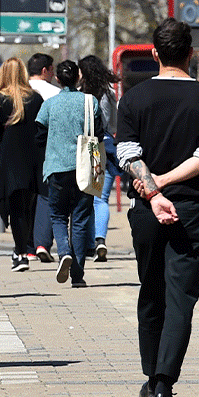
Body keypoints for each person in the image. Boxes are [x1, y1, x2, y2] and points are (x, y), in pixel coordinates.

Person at [117, 18, 199, 397]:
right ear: (191, 54)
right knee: (182, 300)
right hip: (193, 212)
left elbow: (128, 154)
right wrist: (165, 186)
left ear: (154, 53)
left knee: (151, 294)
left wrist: (152, 190)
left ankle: (152, 378)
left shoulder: (133, 99)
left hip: (146, 212)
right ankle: (162, 385)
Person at [34, 60, 103, 288]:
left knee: (58, 215)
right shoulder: (90, 101)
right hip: (86, 167)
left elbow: (39, 137)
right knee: (81, 220)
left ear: (57, 79)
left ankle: (63, 250)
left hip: (57, 168)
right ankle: (78, 276)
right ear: (78, 78)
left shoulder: (49, 105)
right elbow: (100, 135)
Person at [0, 57, 44, 272]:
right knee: (26, 208)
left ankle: (20, 253)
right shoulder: (35, 99)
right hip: (32, 160)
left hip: (8, 160)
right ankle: (23, 249)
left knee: (15, 209)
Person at [78, 55, 121, 263]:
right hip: (105, 144)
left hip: (86, 144)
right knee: (101, 198)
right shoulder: (109, 93)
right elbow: (114, 124)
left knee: (85, 197)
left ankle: (85, 244)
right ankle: (100, 239)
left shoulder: (79, 94)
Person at [27, 53, 60, 262]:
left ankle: (25, 247)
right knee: (45, 196)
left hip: (19, 152)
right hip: (46, 150)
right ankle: (40, 243)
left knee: (25, 199)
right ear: (45, 70)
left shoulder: (15, 90)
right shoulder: (55, 94)